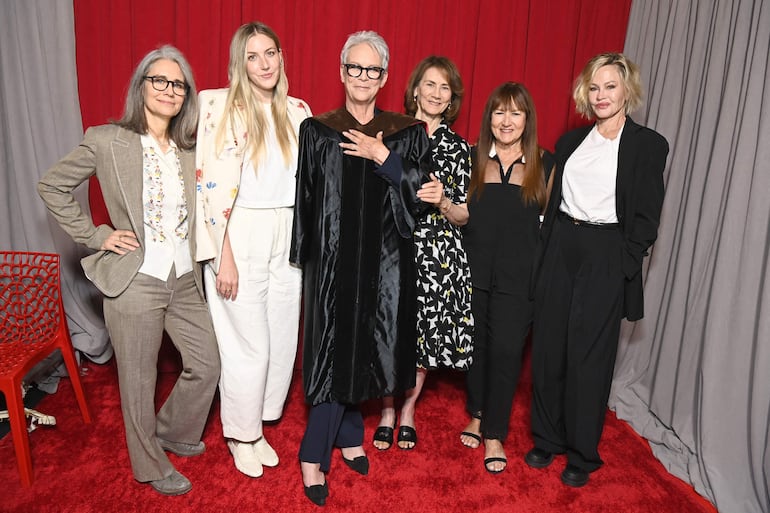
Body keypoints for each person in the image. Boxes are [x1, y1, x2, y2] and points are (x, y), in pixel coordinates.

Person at [38, 45, 220, 496]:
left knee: (207, 363)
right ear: (141, 87)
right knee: (137, 381)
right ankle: (149, 465)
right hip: (134, 279)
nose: (169, 90)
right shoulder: (106, 139)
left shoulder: (188, 148)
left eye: (178, 84)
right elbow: (52, 185)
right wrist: (98, 235)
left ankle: (173, 430)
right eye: (159, 80)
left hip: (183, 277)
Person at [290, 30, 439, 506]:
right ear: (342, 73)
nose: (362, 77)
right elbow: (305, 198)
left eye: (372, 70)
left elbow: (420, 195)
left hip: (385, 264)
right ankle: (314, 453)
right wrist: (303, 259)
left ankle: (350, 433)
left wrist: (384, 158)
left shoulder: (405, 133)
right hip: (332, 264)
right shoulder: (318, 130)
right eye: (354, 68)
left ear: (384, 78)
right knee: (335, 349)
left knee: (366, 345)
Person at [524, 53, 669, 487]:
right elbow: (553, 204)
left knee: (588, 356)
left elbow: (646, 218)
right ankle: (546, 438)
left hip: (605, 251)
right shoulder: (570, 142)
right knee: (549, 346)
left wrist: (622, 263)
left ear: (627, 90)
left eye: (610, 86)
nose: (601, 95)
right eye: (594, 87)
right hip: (561, 246)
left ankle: (582, 453)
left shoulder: (648, 145)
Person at [195, 21, 311, 479]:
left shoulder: (298, 111)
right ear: (239, 63)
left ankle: (258, 425)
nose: (263, 64)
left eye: (270, 53)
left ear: (281, 57)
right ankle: (239, 433)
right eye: (252, 56)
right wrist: (221, 255)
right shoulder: (217, 105)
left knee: (282, 336)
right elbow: (208, 185)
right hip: (238, 229)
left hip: (287, 230)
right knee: (249, 343)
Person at [373, 56, 473, 451]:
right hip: (393, 244)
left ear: (451, 99)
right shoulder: (390, 134)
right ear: (415, 89)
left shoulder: (459, 148)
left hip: (437, 253)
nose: (435, 93)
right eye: (429, 84)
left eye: (444, 88)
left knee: (424, 336)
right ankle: (385, 410)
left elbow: (464, 215)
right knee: (389, 327)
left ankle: (409, 409)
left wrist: (445, 201)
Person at [459, 82, 555, 474]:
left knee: (506, 353)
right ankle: (478, 414)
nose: (507, 120)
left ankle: (495, 432)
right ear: (490, 118)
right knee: (477, 350)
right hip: (475, 274)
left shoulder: (545, 165)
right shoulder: (472, 159)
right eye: (500, 112)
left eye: (516, 113)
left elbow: (550, 231)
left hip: (520, 283)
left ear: (527, 120)